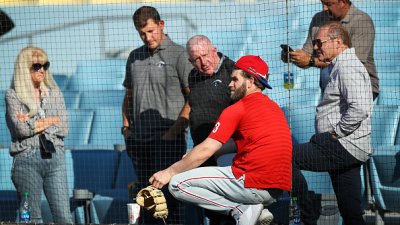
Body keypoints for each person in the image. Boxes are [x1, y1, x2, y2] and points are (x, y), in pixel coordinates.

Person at [149, 55, 292, 225]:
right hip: (276, 191)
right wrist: (190, 156)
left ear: (250, 81)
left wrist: (168, 172)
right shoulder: (274, 107)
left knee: (177, 183)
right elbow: (238, 144)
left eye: (235, 79)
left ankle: (240, 209)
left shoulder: (238, 108)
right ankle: (250, 210)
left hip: (252, 182)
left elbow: (207, 149)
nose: (230, 84)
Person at [291, 21, 373, 225]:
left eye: (319, 42)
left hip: (341, 145)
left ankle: (307, 212)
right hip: (349, 148)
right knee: (351, 212)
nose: (316, 47)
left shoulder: (347, 67)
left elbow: (361, 107)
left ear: (338, 42)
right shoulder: (340, 66)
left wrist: (336, 133)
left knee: (285, 158)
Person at [121, 6, 192, 224]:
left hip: (167, 142)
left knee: (167, 201)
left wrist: (173, 133)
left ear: (161, 25)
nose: (147, 37)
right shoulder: (134, 56)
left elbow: (193, 98)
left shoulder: (179, 54)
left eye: (151, 31)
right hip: (138, 141)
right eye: (142, 33)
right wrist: (126, 128)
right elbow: (129, 95)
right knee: (147, 200)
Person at [5, 46, 72, 223]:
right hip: (26, 160)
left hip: (55, 157)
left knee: (64, 217)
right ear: (24, 68)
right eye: (36, 66)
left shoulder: (54, 93)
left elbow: (64, 127)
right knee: (31, 218)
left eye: (45, 65)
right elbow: (20, 130)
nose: (42, 70)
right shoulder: (13, 95)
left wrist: (32, 122)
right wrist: (51, 120)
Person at [282, 0, 378, 100]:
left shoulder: (362, 21)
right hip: (330, 89)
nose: (324, 8)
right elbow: (307, 54)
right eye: (322, 3)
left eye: (328, 4)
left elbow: (352, 63)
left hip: (359, 88)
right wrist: (295, 57)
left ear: (342, 2)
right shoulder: (318, 19)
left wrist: (311, 61)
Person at [186, 35, 236, 225]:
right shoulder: (193, 76)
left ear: (214, 50)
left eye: (205, 55)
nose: (202, 63)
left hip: (227, 151)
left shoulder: (232, 71)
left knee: (231, 205)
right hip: (203, 151)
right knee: (212, 209)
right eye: (195, 60)